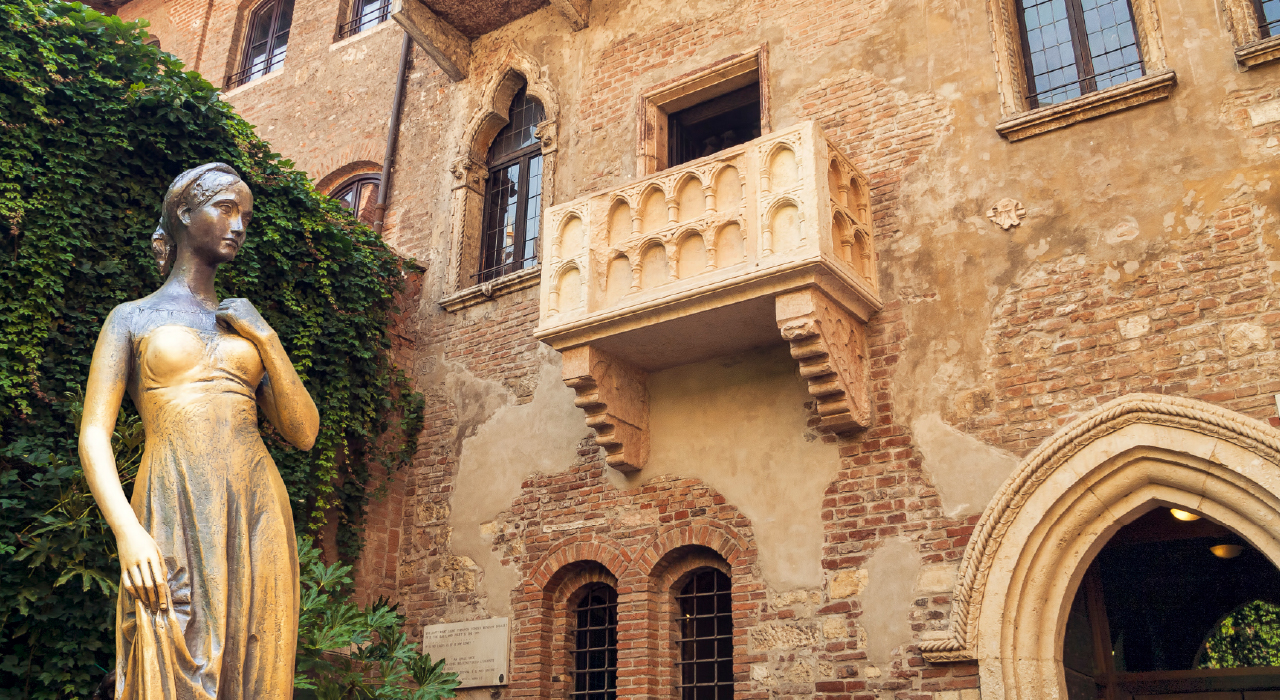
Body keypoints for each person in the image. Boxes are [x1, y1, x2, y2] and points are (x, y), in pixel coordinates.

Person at [79, 163, 318, 700]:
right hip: (173, 495)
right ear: (185, 213)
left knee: (256, 663)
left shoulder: (245, 327)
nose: (239, 225)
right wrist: (127, 532)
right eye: (226, 209)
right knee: (167, 642)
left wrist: (267, 339)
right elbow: (94, 433)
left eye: (246, 216)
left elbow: (303, 432)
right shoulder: (131, 318)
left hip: (255, 503)